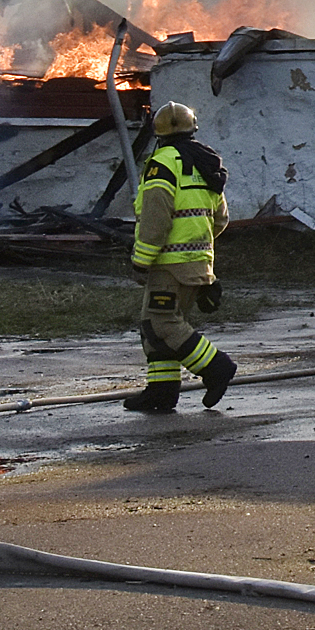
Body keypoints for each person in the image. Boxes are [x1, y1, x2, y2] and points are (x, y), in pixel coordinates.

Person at [123, 99, 237, 413]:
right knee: (153, 325)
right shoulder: (205, 164)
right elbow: (220, 219)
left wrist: (141, 260)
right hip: (196, 262)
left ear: (157, 133)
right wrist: (199, 253)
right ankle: (161, 392)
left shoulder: (162, 163)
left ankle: (217, 368)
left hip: (168, 265)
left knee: (163, 324)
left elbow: (156, 217)